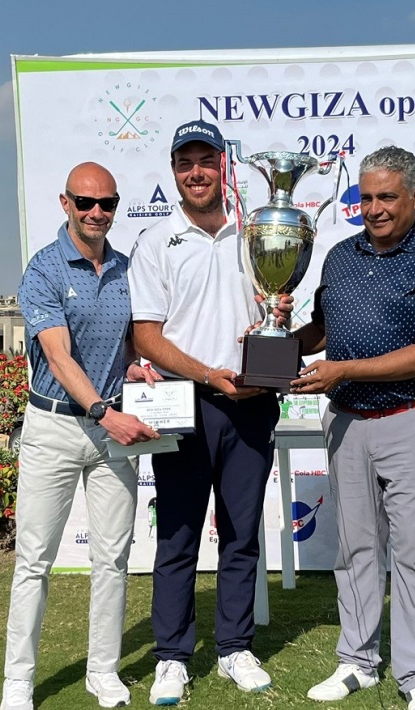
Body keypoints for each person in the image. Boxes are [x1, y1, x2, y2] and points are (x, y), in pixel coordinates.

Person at [290, 146, 415, 710]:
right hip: (348, 421)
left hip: (414, 418)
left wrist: (342, 369)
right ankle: (358, 661)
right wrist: (268, 346)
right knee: (356, 548)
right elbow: (322, 329)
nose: (374, 208)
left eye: (387, 196)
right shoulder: (340, 258)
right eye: (365, 197)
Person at [128, 120, 289, 705]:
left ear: (226, 165)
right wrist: (205, 373)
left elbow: (275, 316)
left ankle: (234, 648)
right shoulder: (155, 241)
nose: (196, 171)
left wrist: (279, 309)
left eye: (206, 160)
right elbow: (146, 336)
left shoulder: (260, 232)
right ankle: (172, 656)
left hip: (251, 402)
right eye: (184, 162)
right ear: (174, 171)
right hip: (184, 402)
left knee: (241, 533)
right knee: (177, 536)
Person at [1, 162, 161, 710]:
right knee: (34, 561)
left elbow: (123, 343)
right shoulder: (43, 269)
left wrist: (134, 368)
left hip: (110, 427)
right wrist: (103, 410)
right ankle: (18, 682)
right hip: (55, 425)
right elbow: (58, 355)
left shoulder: (124, 267)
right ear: (65, 203)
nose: (97, 213)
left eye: (107, 204)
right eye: (85, 202)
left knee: (112, 559)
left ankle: (104, 671)